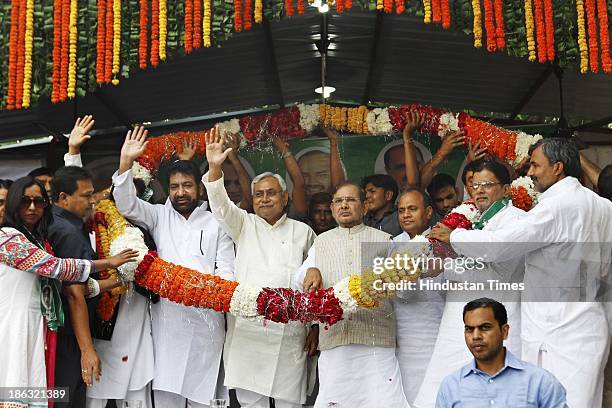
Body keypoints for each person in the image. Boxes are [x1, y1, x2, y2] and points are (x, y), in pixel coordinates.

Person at [431, 138, 612, 407]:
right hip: (588, 323)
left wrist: (454, 236)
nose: (530, 173)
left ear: (558, 167)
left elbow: (503, 245)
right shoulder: (603, 205)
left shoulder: (555, 206)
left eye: (536, 166)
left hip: (556, 328)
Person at [113, 126, 236, 408]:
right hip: (167, 320)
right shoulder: (158, 215)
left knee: (204, 395)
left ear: (199, 187)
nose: (181, 193)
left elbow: (227, 271)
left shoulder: (217, 221)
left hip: (207, 319)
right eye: (175, 186)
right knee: (168, 394)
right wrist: (125, 163)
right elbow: (127, 205)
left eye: (187, 185)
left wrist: (216, 298)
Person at [203, 128, 316, 408]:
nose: (264, 199)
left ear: (285, 198)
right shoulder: (243, 224)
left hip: (290, 333)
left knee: (290, 402)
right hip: (248, 331)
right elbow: (220, 207)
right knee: (252, 402)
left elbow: (315, 283)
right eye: (259, 195)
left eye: (271, 194)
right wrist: (215, 167)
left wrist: (315, 327)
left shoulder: (303, 232)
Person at [0, 177, 134, 405]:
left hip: (36, 330)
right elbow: (58, 268)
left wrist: (119, 280)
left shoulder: (39, 242)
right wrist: (108, 263)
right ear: (14, 204)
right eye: (24, 201)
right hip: (14, 328)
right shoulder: (7, 238)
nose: (32, 207)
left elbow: (60, 288)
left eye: (39, 201)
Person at [62, 115, 156, 408]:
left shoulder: (146, 225)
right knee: (97, 394)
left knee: (137, 391)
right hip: (100, 320)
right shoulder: (94, 220)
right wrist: (73, 152)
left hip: (137, 319)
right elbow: (76, 195)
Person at [417, 159, 525, 408]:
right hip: (456, 318)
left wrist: (455, 240)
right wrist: (420, 266)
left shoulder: (515, 220)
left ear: (507, 189)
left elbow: (500, 264)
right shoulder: (467, 219)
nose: (479, 190)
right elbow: (443, 265)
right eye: (475, 185)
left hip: (492, 311)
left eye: (487, 184)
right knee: (449, 385)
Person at [296, 182, 409, 408]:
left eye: (351, 200)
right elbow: (300, 280)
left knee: (383, 401)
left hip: (376, 340)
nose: (344, 205)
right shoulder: (321, 242)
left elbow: (402, 287)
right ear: (332, 206)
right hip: (335, 340)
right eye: (339, 201)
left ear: (365, 206)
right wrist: (310, 270)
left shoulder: (384, 240)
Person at [436, 298, 566, 407]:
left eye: (485, 327)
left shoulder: (540, 382)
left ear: (504, 331)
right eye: (469, 329)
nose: (476, 336)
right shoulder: (451, 386)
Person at [392, 188, 444, 405]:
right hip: (403, 337)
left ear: (429, 212)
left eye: (412, 209)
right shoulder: (391, 244)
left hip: (437, 332)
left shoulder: (445, 242)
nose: (406, 214)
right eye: (401, 210)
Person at [294, 128, 346, 201]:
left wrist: (333, 143)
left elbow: (337, 185)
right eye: (304, 175)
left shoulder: (338, 203)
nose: (312, 183)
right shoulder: (299, 209)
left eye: (322, 175)